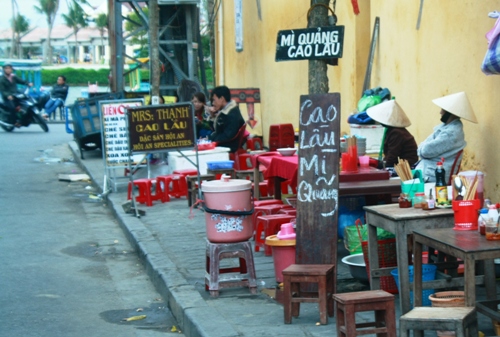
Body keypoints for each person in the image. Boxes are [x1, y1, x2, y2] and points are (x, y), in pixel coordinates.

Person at [416, 91, 478, 183]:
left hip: (434, 178)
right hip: (428, 174)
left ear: (450, 113)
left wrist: (422, 149)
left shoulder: (451, 133)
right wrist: (422, 148)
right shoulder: (444, 127)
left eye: (443, 110)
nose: (440, 112)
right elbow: (423, 148)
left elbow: (425, 151)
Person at [366, 99, 418, 169]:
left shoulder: (396, 133)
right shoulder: (393, 131)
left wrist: (379, 165)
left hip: (406, 168)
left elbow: (392, 158)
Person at [208, 86, 245, 152]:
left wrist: (210, 140)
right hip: (225, 143)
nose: (213, 103)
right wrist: (212, 116)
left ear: (222, 98)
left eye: (214, 100)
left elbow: (227, 135)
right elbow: (215, 129)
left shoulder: (231, 114)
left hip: (229, 146)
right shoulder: (225, 112)